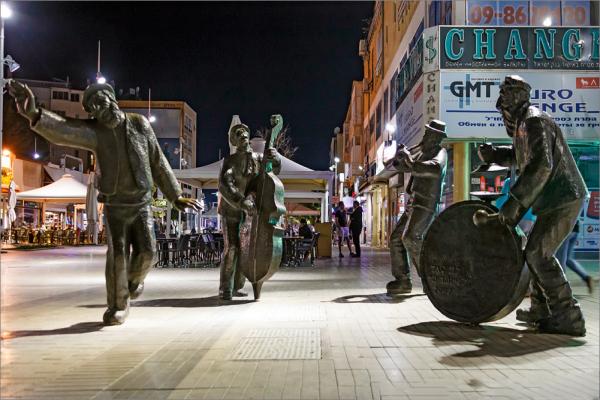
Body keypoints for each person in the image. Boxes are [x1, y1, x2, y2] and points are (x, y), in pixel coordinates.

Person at [8, 80, 201, 325]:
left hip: (141, 203)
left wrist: (175, 195)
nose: (100, 107)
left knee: (148, 252)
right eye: (94, 106)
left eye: (102, 100)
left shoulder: (139, 124)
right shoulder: (96, 132)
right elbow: (65, 129)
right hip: (115, 204)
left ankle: (132, 281)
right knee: (118, 255)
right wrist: (34, 113)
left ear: (112, 99)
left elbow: (158, 161)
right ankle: (117, 305)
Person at [477, 75, 588, 336]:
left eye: (505, 101)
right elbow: (522, 156)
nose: (501, 108)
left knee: (538, 253)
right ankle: (541, 309)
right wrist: (496, 155)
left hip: (564, 197)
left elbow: (541, 165)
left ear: (518, 99)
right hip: (554, 200)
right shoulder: (524, 125)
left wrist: (514, 205)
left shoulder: (534, 121)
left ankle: (568, 315)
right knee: (536, 250)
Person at [218, 121, 281, 300]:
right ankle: (225, 287)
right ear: (234, 141)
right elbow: (224, 185)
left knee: (246, 249)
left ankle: (238, 286)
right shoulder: (229, 161)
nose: (243, 135)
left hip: (249, 213)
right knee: (232, 248)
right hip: (231, 210)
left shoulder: (258, 158)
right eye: (238, 133)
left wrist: (275, 158)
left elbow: (273, 170)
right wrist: (240, 200)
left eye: (244, 132)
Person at [386, 120, 448, 296]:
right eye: (426, 133)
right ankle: (402, 280)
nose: (426, 137)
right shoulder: (421, 152)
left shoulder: (440, 152)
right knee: (396, 239)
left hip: (426, 202)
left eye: (430, 134)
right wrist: (400, 157)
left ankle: (431, 279)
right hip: (413, 201)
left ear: (437, 138)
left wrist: (410, 162)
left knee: (411, 238)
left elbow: (435, 169)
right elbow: (401, 166)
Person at [555, 220, 594, 294]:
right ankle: (586, 277)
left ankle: (562, 289)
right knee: (568, 259)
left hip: (566, 228)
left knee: (561, 261)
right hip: (575, 228)